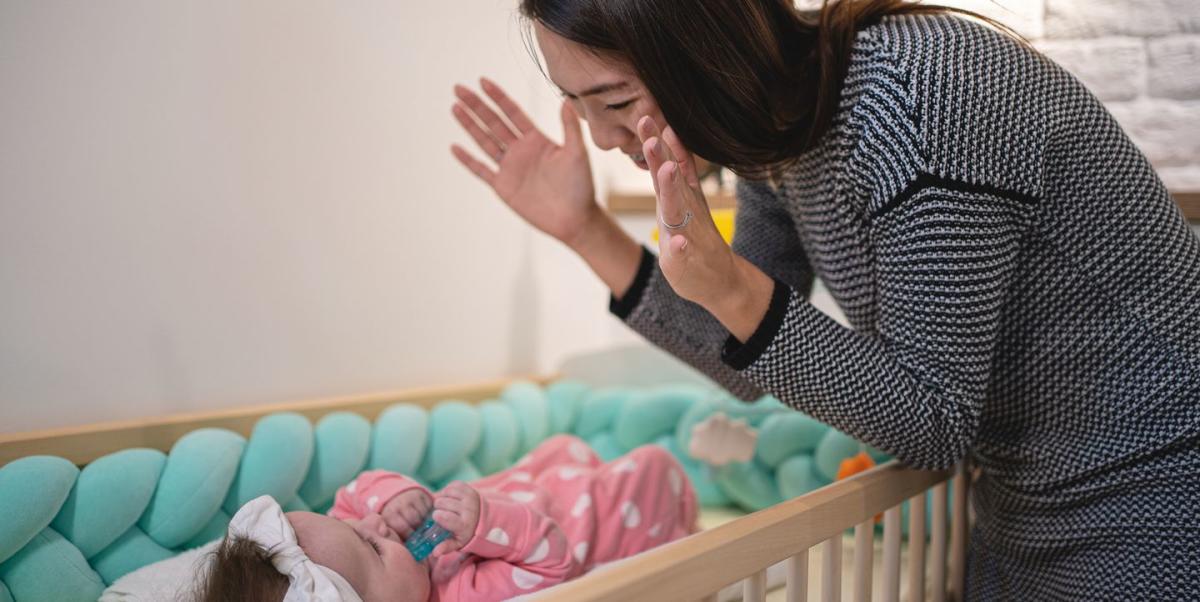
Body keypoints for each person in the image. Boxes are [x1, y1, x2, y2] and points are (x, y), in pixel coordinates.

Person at [448, 0, 1200, 599]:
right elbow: (744, 358)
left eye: (613, 100)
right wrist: (588, 231)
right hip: (1018, 494)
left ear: (706, 52)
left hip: (1156, 480)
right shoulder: (779, 139)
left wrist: (736, 288)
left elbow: (931, 421)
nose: (606, 138)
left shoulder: (912, 95)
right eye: (581, 107)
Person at [193, 435, 698, 601]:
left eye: (352, 527)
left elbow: (352, 498)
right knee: (653, 467)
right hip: (585, 520)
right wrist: (485, 525)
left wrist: (394, 495)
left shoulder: (347, 542)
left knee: (561, 446)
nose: (374, 526)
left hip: (531, 480)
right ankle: (687, 500)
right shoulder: (461, 594)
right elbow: (552, 561)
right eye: (371, 547)